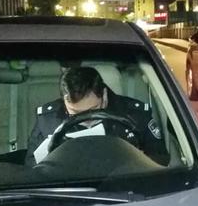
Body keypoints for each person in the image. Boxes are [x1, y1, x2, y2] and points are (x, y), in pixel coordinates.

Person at [25, 66, 168, 166]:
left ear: (104, 95)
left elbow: (161, 160)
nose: (86, 119)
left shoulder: (135, 114)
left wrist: (140, 160)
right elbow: (32, 166)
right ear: (64, 101)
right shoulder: (48, 119)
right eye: (75, 113)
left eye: (93, 110)